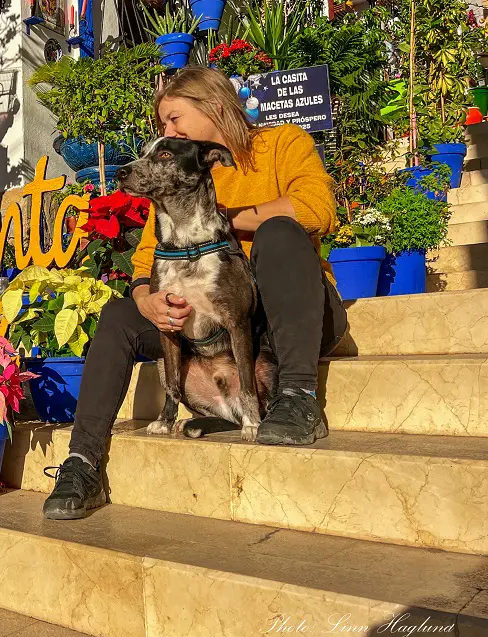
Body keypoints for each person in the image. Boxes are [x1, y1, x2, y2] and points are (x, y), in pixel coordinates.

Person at [43, 67, 348, 521]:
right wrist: (147, 298)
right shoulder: (177, 181)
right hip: (210, 327)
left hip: (291, 313)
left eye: (174, 120)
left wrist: (222, 216)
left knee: (280, 232)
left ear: (215, 108)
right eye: (163, 125)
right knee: (119, 316)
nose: (167, 133)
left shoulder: (282, 143)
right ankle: (83, 461)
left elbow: (317, 210)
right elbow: (148, 257)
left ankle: (299, 398)